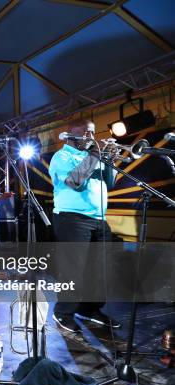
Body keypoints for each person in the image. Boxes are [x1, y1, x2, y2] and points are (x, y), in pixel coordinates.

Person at [48, 118, 120, 333]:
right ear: (71, 134)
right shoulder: (62, 156)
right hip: (72, 218)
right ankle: (64, 312)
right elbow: (75, 182)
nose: (91, 137)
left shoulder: (91, 155)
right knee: (73, 270)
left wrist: (109, 159)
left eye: (92, 133)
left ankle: (90, 309)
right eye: (87, 133)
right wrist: (97, 155)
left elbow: (110, 182)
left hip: (98, 217)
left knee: (99, 269)